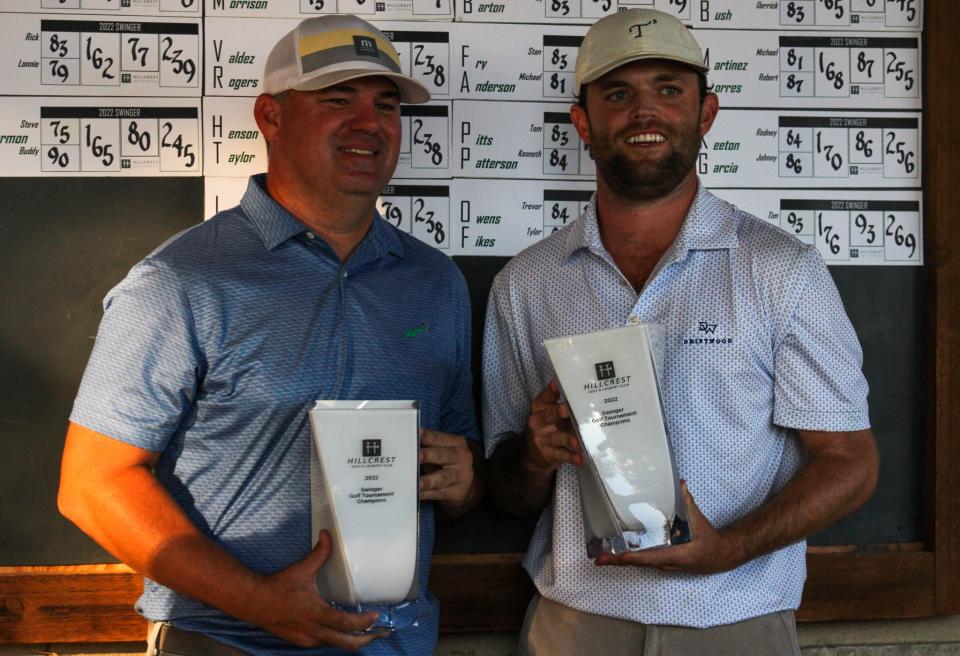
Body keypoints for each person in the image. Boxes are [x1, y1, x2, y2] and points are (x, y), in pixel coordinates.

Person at [58, 14, 482, 656]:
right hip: (230, 641)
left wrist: (464, 480)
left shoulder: (436, 282)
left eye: (387, 105)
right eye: (338, 99)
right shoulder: (182, 280)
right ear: (271, 117)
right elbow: (93, 484)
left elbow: (459, 467)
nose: (369, 123)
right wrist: (259, 601)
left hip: (394, 642)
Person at [481, 9, 878, 655]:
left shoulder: (782, 269)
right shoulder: (527, 282)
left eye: (669, 89)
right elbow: (505, 486)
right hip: (575, 626)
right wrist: (533, 454)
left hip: (735, 622)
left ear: (706, 113)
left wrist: (728, 549)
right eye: (618, 94)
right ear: (583, 122)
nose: (645, 112)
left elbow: (851, 463)